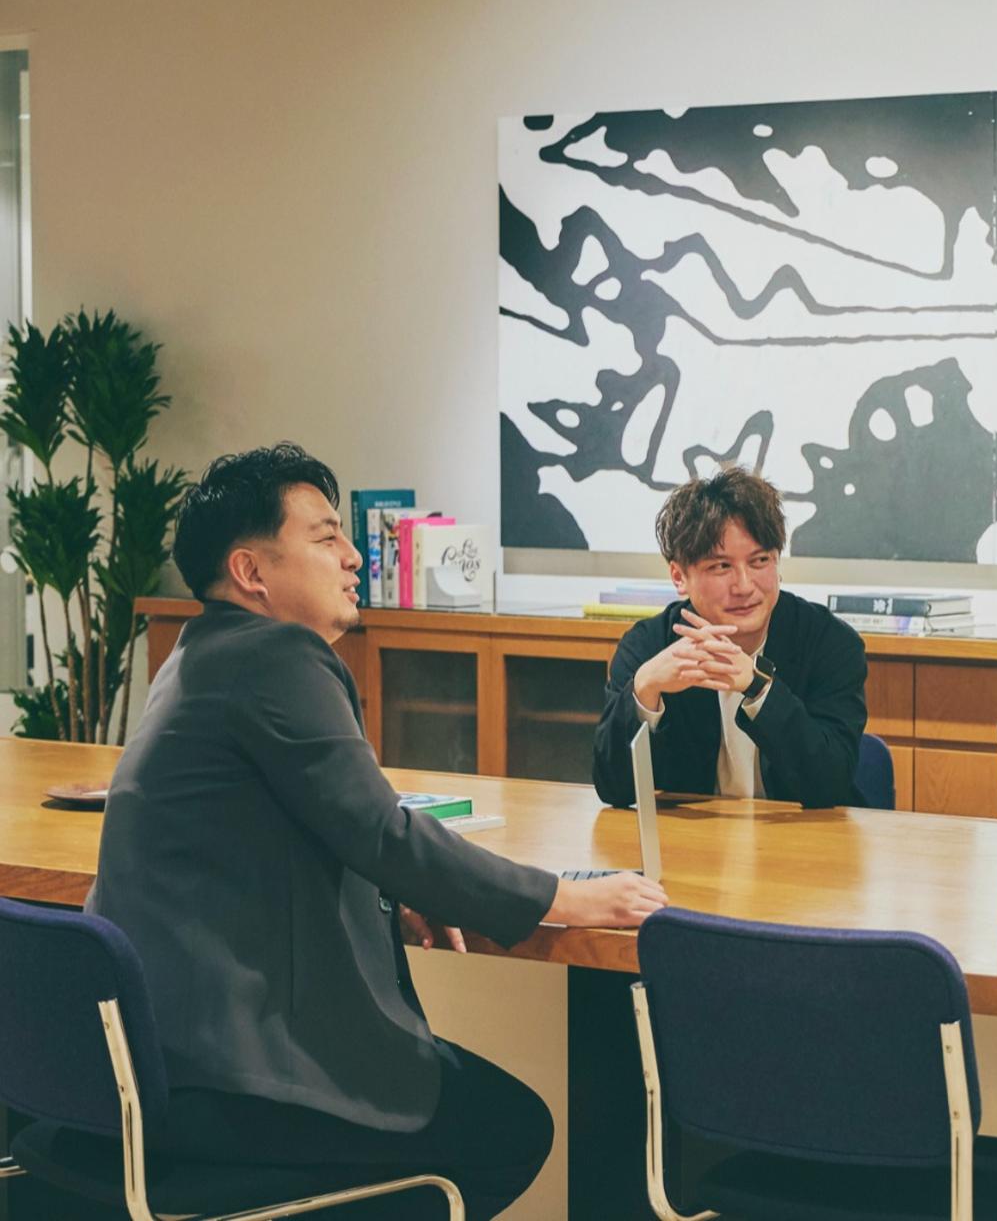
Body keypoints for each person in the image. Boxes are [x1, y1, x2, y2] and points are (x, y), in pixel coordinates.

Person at [88, 443, 666, 1220]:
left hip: (146, 1068)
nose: (354, 556)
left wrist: (388, 894)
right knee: (509, 1130)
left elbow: (314, 830)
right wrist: (565, 897)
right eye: (326, 537)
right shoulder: (277, 655)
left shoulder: (199, 655)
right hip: (241, 1077)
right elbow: (384, 832)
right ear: (251, 571)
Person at [593, 465, 867, 808]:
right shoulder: (650, 647)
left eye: (760, 561)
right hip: (695, 838)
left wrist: (758, 688)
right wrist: (645, 688)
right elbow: (614, 789)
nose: (744, 586)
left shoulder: (829, 643)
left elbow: (830, 784)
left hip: (803, 837)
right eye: (721, 566)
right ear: (679, 576)